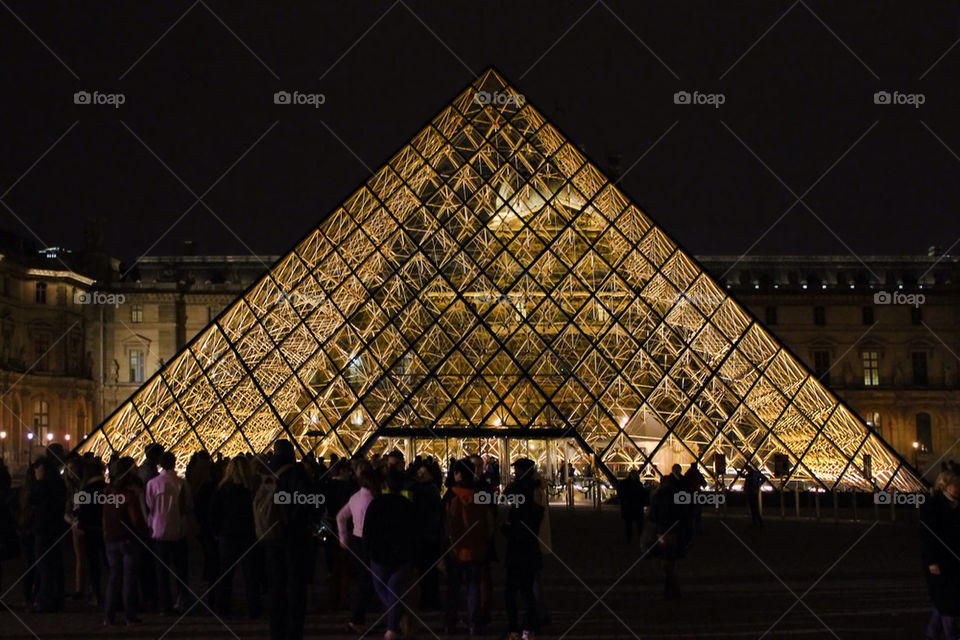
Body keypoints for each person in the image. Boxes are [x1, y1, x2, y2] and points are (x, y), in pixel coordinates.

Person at [264, 439, 314, 640]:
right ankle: (294, 633)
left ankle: (276, 631)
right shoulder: (295, 473)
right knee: (295, 585)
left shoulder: (265, 473)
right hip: (293, 537)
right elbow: (309, 499)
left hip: (271, 535)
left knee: (275, 586)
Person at [364, 469, 417, 640]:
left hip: (379, 553)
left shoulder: (376, 504)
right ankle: (392, 628)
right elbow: (415, 532)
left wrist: (367, 551)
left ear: (385, 485)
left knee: (381, 589)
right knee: (395, 591)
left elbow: (367, 531)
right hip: (402, 555)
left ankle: (397, 619)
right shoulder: (408, 505)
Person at [443, 458, 490, 635]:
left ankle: (450, 623)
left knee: (453, 588)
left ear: (458, 474)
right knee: (473, 587)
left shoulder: (450, 495)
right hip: (476, 547)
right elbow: (488, 522)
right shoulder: (480, 494)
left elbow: (445, 523)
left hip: (456, 548)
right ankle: (473, 624)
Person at [209, 456, 260, 618]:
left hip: (227, 534)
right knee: (251, 574)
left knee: (226, 574)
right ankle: (253, 609)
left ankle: (222, 608)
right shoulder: (252, 489)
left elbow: (213, 513)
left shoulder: (222, 489)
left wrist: (216, 532)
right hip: (248, 534)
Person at [501, 458, 545, 640]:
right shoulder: (537, 489)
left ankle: (513, 629)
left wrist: (506, 528)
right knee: (528, 590)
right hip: (531, 545)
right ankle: (529, 627)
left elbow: (504, 507)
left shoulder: (515, 489)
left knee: (511, 591)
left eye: (517, 469)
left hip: (515, 545)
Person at [102, 457, 148, 625]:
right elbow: (136, 520)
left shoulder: (107, 492)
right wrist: (144, 532)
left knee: (114, 579)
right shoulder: (129, 496)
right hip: (128, 539)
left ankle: (108, 616)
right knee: (129, 580)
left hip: (111, 539)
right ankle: (129, 616)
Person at [145, 451, 192, 615]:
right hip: (178, 531)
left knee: (161, 571)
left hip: (158, 531)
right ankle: (182, 600)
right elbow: (187, 507)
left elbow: (150, 506)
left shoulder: (152, 483)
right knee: (181, 570)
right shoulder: (182, 483)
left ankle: (164, 605)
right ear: (174, 463)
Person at [337, 464, 379, 634]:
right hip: (370, 542)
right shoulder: (374, 500)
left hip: (356, 541)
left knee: (363, 581)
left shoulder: (355, 497)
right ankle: (357, 618)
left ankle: (358, 618)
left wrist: (343, 538)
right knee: (370, 583)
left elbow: (341, 516)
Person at [920, 470, 960, 639]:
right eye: (955, 485)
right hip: (939, 561)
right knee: (947, 602)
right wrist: (931, 561)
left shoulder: (957, 505)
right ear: (945, 486)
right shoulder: (933, 505)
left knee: (946, 601)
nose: (958, 488)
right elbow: (927, 536)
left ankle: (932, 632)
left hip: (954, 560)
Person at [30, 455, 67, 612]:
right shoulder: (59, 483)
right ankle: (56, 598)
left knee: (44, 566)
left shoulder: (43, 485)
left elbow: (33, 499)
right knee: (55, 565)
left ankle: (43, 600)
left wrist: (38, 482)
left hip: (44, 529)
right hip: (57, 529)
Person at [75, 457, 107, 606]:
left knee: (93, 564)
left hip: (89, 530)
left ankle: (96, 594)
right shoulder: (107, 488)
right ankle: (110, 592)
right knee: (107, 563)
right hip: (105, 529)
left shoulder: (85, 490)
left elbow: (81, 512)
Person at [410, 464, 443, 611]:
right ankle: (431, 599)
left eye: (422, 472)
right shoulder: (432, 490)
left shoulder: (424, 490)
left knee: (425, 570)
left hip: (425, 535)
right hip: (430, 535)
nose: (419, 475)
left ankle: (428, 599)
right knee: (429, 571)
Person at [649, 475, 684, 599]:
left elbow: (652, 516)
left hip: (662, 532)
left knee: (664, 559)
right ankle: (673, 586)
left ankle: (668, 586)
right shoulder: (678, 496)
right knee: (672, 560)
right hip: (674, 531)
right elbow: (683, 514)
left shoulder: (656, 497)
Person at [617, 470, 648, 543]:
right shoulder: (639, 484)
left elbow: (620, 493)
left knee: (630, 525)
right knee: (635, 525)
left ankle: (630, 539)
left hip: (630, 507)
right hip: (634, 507)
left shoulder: (624, 483)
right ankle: (635, 538)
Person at [684, 463, 707, 535]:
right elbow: (704, 483)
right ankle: (698, 529)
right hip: (697, 494)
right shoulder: (698, 474)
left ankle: (689, 529)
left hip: (688, 494)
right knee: (697, 513)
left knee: (689, 513)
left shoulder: (688, 474)